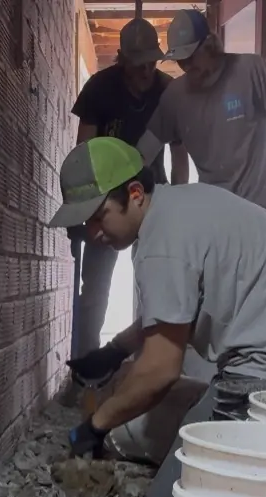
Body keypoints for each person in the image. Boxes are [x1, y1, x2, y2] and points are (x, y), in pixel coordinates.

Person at [49, 137, 266, 497]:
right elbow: (171, 315)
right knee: (156, 406)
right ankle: (248, 468)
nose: (93, 231)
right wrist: (114, 350)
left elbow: (161, 371)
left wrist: (96, 426)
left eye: (99, 215)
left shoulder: (161, 244)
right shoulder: (179, 207)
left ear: (135, 193)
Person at [69, 17, 189, 357]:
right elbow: (84, 150)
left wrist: (180, 205)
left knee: (154, 284)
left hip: (152, 201)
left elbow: (180, 155)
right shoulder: (100, 88)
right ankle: (87, 366)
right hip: (107, 203)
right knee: (94, 288)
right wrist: (82, 208)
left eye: (153, 63)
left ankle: (147, 363)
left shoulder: (168, 92)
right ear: (122, 60)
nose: (147, 71)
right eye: (139, 65)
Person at [136, 8, 266, 218]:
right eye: (181, 61)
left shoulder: (250, 70)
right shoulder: (175, 96)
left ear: (210, 45)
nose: (187, 67)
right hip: (216, 215)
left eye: (191, 58)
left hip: (262, 210)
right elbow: (145, 149)